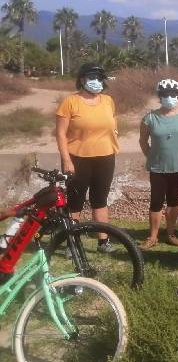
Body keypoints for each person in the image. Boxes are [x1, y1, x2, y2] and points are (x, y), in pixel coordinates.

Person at [55, 63, 119, 252]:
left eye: (100, 78)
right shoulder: (70, 102)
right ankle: (72, 243)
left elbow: (113, 124)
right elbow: (60, 134)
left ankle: (103, 242)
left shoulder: (108, 100)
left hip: (106, 157)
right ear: (82, 79)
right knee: (75, 201)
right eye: (92, 77)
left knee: (100, 199)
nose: (96, 82)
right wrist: (66, 160)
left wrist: (115, 144)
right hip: (77, 158)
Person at [138, 79, 178, 249]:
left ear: (177, 95)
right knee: (156, 201)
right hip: (157, 166)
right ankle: (153, 237)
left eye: (173, 94)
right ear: (159, 96)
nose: (169, 97)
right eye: (165, 94)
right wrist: (151, 155)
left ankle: (170, 234)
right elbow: (143, 141)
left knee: (173, 201)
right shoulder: (150, 118)